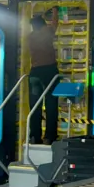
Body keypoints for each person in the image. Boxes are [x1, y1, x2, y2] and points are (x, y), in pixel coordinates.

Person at [28, 9, 60, 145]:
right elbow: (55, 23)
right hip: (49, 71)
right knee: (51, 104)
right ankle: (49, 137)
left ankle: (34, 136)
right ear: (43, 24)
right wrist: (55, 11)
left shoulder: (30, 37)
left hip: (34, 73)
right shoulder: (47, 32)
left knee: (35, 106)